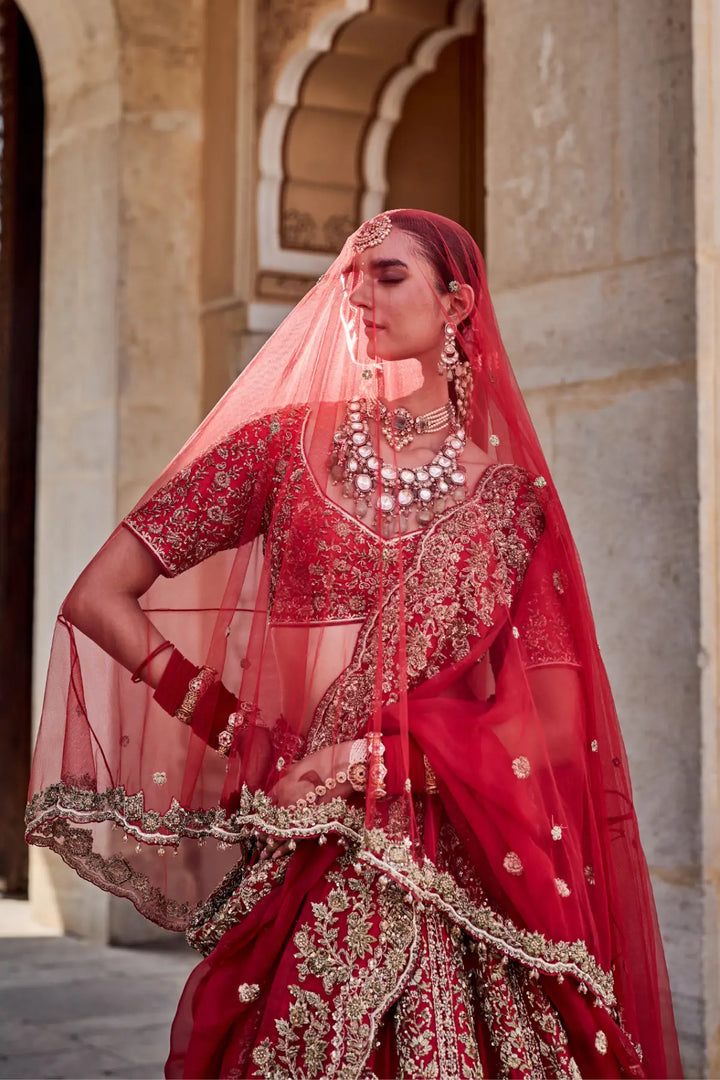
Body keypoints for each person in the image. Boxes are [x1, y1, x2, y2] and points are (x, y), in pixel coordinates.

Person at [26, 210, 682, 1079]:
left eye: (389, 275)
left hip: (466, 876)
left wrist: (367, 764)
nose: (359, 293)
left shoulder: (510, 506)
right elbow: (98, 595)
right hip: (311, 857)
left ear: (457, 303)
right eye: (351, 275)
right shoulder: (281, 450)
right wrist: (229, 722)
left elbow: (556, 723)